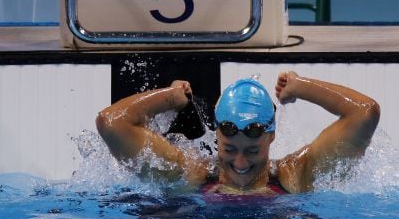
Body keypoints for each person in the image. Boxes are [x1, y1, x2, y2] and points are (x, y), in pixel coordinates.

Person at [96, 71, 380, 194]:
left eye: (253, 151)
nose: (241, 163)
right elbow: (111, 123)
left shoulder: (296, 175)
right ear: (217, 136)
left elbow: (364, 112)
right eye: (229, 149)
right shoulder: (188, 175)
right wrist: (168, 99)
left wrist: (300, 87)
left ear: (271, 137)